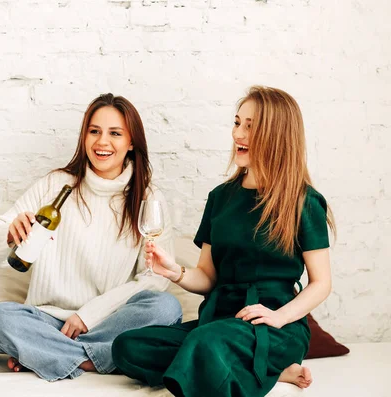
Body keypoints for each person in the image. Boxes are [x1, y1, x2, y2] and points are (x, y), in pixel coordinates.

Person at [112, 86, 336, 397]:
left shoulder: (304, 201)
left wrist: (279, 316)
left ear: (277, 135)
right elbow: (208, 277)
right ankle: (271, 371)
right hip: (218, 320)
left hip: (274, 326)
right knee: (128, 346)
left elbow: (321, 283)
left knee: (206, 343)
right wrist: (175, 272)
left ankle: (255, 360)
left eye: (250, 126)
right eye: (236, 122)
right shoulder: (220, 198)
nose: (238, 134)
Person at [0, 93, 183, 381]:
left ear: (131, 142)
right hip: (47, 320)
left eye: (115, 133)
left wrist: (88, 315)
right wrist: (8, 231)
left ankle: (50, 355)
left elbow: (154, 278)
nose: (102, 142)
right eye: (94, 131)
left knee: (166, 307)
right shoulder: (56, 185)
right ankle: (88, 358)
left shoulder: (147, 198)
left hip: (110, 321)